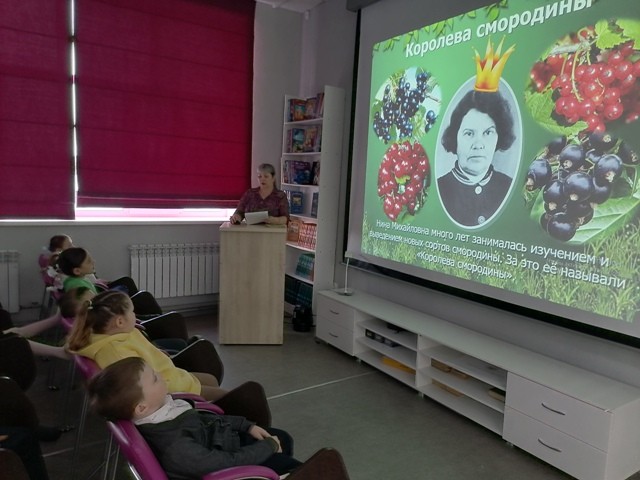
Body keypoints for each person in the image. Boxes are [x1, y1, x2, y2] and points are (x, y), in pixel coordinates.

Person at [64, 290, 272, 426]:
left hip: (170, 376)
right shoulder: (116, 353)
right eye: (133, 312)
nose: (135, 315)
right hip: (172, 390)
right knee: (235, 398)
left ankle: (214, 412)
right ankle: (224, 418)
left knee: (210, 378)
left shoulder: (113, 335)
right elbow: (148, 390)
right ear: (119, 321)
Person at [88, 357, 302, 478]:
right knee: (295, 464)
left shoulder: (161, 411)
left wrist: (245, 426)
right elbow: (224, 464)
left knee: (283, 437)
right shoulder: (175, 446)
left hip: (223, 443)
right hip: (231, 467)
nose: (160, 375)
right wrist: (267, 447)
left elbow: (204, 420)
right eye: (154, 378)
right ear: (142, 407)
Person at [438, 88, 516, 226]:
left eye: (488, 133)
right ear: (455, 138)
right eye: (469, 134)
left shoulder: (509, 187)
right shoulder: (440, 188)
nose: (478, 145)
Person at [56, 247, 139, 295]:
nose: (93, 262)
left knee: (127, 281)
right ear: (77, 271)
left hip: (102, 296)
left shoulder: (78, 279)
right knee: (142, 297)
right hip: (105, 309)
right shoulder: (78, 286)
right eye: (89, 261)